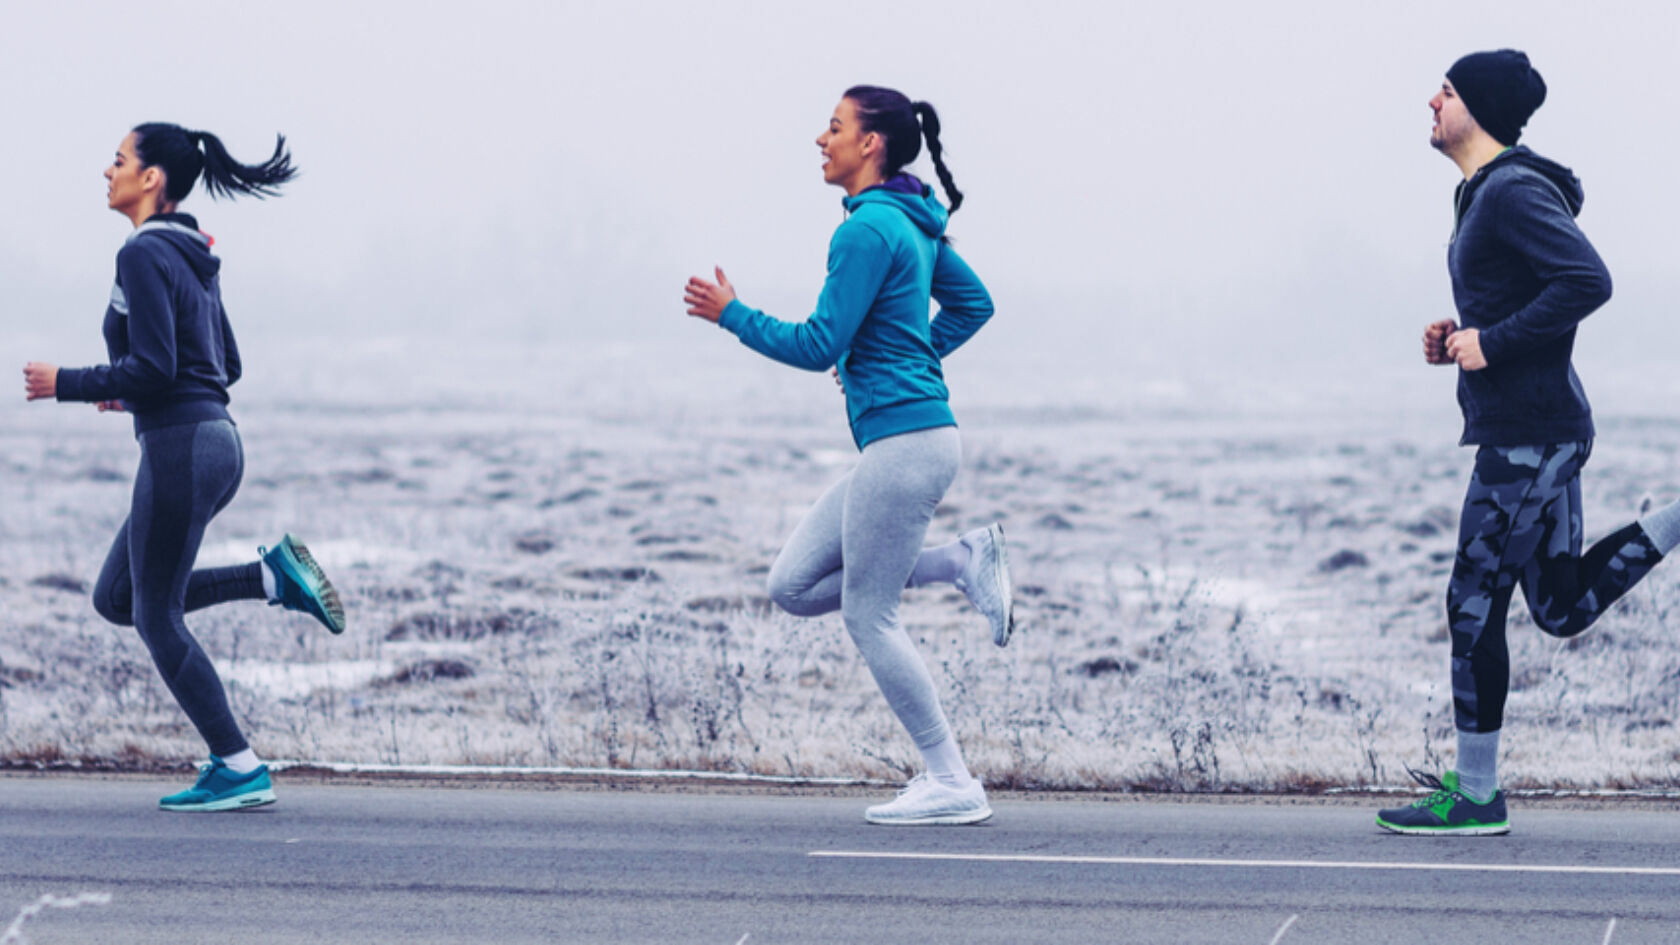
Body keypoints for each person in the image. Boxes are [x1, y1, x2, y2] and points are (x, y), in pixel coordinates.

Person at [683, 86, 1011, 825]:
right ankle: (960, 561)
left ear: (872, 144)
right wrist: (899, 354)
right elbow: (973, 306)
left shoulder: (867, 231)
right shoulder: (911, 222)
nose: (820, 138)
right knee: (792, 585)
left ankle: (951, 777)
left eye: (834, 127)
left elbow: (816, 344)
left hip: (906, 442)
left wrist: (731, 314)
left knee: (870, 613)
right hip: (909, 440)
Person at [1379, 51, 1680, 835]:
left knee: (1471, 603)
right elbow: (1519, 295)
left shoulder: (1510, 191)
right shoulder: (1478, 193)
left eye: (1444, 90)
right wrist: (1457, 335)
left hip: (1528, 438)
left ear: (1475, 106)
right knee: (1559, 603)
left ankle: (1478, 796)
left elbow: (1587, 280)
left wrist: (1497, 343)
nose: (1432, 100)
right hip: (1542, 429)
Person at [22, 123, 345, 812]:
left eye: (117, 160)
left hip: (180, 446)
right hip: (216, 441)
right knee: (119, 598)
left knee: (157, 618)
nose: (106, 171)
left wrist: (67, 381)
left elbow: (158, 366)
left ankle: (239, 765)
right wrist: (127, 390)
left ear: (151, 179)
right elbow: (223, 366)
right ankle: (270, 575)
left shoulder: (142, 253)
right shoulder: (193, 254)